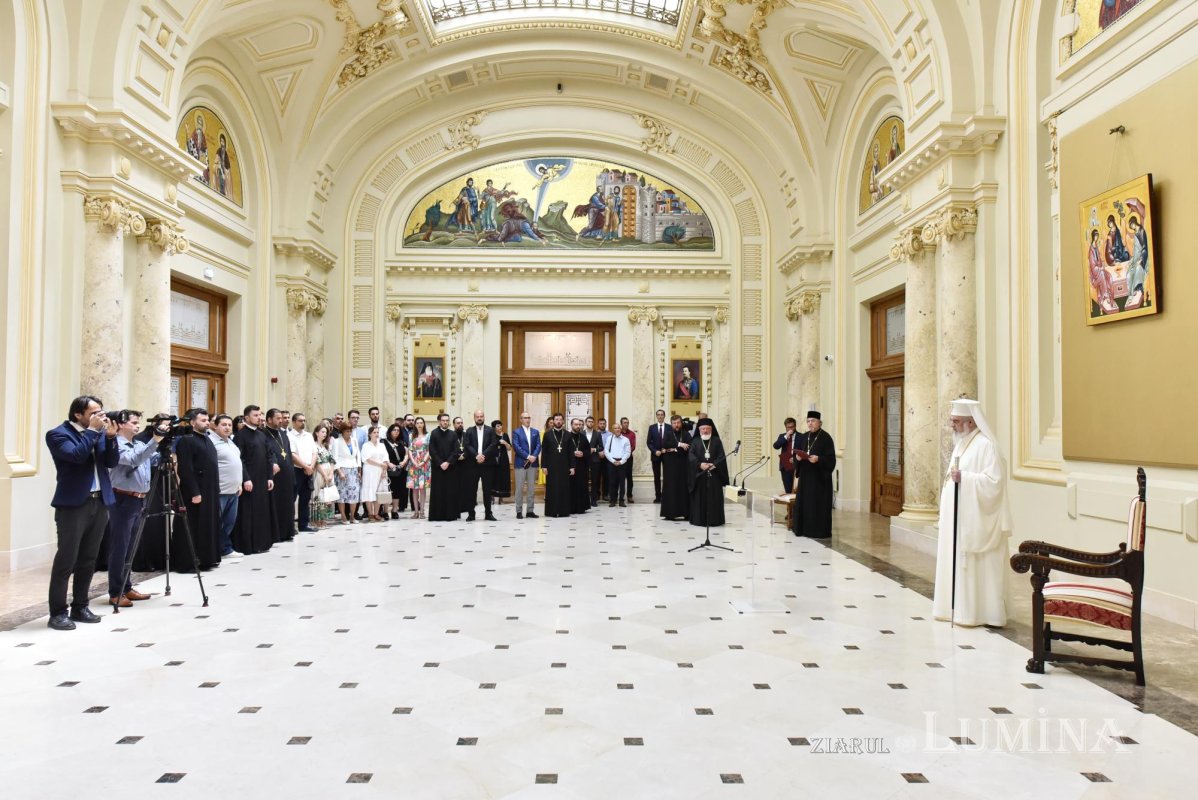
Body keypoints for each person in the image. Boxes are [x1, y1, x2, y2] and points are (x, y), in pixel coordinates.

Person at [932, 399, 1012, 628]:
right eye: (952, 421)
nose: (952, 425)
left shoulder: (986, 445)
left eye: (956, 421)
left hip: (975, 521)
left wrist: (965, 479)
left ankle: (980, 613)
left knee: (977, 567)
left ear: (970, 422)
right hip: (957, 519)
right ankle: (954, 609)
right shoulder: (963, 443)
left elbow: (994, 482)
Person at [45, 395, 120, 630]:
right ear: (78, 414)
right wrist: (94, 433)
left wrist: (110, 438)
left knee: (89, 559)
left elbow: (111, 462)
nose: (100, 416)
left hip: (99, 502)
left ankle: (80, 606)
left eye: (101, 411)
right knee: (66, 560)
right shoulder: (58, 434)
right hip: (73, 505)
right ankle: (57, 612)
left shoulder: (97, 432)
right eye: (94, 412)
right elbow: (76, 457)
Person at [105, 410, 165, 607]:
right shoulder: (116, 445)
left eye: (138, 422)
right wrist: (154, 441)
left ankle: (127, 586)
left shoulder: (139, 443)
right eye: (133, 422)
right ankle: (116, 591)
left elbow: (151, 459)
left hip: (139, 499)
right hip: (122, 498)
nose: (137, 426)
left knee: (131, 546)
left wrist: (164, 442)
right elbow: (132, 460)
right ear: (120, 424)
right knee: (120, 547)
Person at [174, 408, 222, 569]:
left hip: (210, 489)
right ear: (192, 422)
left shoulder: (207, 439)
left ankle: (207, 558)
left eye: (208, 420)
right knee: (194, 526)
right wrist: (195, 492)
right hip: (195, 491)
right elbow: (185, 469)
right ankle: (189, 561)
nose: (207, 423)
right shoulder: (187, 440)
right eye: (203, 420)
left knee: (207, 524)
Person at [233, 405, 275, 554]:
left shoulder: (262, 434)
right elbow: (239, 460)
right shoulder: (241, 436)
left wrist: (270, 477)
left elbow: (268, 456)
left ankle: (261, 543)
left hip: (263, 478)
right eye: (256, 415)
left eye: (259, 415)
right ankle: (248, 545)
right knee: (248, 513)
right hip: (249, 480)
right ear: (246, 418)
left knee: (262, 511)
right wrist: (246, 479)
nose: (259, 418)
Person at [790, 411, 836, 538]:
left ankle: (817, 531)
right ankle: (803, 529)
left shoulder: (826, 438)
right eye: (808, 421)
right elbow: (796, 456)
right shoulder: (804, 437)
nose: (810, 423)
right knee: (805, 503)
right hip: (805, 478)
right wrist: (798, 459)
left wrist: (819, 459)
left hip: (819, 480)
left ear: (819, 423)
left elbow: (831, 460)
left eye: (813, 421)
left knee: (817, 505)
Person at [208, 414, 244, 558]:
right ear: (215, 426)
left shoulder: (231, 442)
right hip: (220, 490)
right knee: (218, 522)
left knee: (229, 522)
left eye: (229, 425)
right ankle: (222, 549)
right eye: (224, 424)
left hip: (234, 490)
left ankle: (223, 548)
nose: (227, 427)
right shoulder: (211, 442)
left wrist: (239, 483)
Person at [687, 419, 727, 527]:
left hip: (714, 476)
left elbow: (721, 456)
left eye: (708, 429)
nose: (705, 431)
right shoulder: (695, 441)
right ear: (699, 430)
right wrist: (700, 464)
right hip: (699, 475)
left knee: (714, 498)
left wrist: (714, 465)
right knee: (699, 498)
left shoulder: (717, 441)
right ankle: (698, 520)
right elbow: (691, 456)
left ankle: (715, 520)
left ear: (711, 429)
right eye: (703, 429)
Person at [264, 409, 295, 542]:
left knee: (287, 504)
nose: (281, 420)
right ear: (269, 420)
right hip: (275, 477)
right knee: (276, 504)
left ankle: (288, 531)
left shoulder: (283, 434)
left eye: (281, 418)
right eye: (277, 418)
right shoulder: (264, 434)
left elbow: (286, 452)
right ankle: (276, 533)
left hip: (287, 475)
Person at [463, 410, 498, 522]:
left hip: (487, 464)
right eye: (477, 416)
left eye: (481, 416)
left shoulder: (491, 430)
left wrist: (483, 455)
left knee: (487, 490)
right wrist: (477, 456)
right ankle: (471, 514)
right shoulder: (469, 431)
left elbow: (493, 444)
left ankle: (488, 513)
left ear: (484, 417)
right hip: (473, 465)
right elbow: (467, 445)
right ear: (474, 418)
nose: (479, 418)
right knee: (471, 490)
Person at [427, 414, 460, 521]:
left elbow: (456, 450)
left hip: (450, 467)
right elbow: (432, 450)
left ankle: (450, 515)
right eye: (443, 420)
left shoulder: (453, 434)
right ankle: (437, 515)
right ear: (439, 421)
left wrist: (448, 462)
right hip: (438, 467)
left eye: (447, 420)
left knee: (450, 491)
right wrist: (441, 463)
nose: (445, 422)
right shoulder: (434, 433)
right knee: (438, 491)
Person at [659, 415, 691, 521]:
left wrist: (673, 448)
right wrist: (680, 444)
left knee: (683, 488)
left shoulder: (686, 434)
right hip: (670, 466)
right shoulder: (668, 434)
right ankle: (670, 513)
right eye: (674, 423)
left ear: (681, 423)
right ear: (671, 424)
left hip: (683, 466)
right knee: (671, 488)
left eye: (678, 423)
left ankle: (685, 513)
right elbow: (664, 444)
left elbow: (689, 446)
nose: (676, 425)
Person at [289, 412, 317, 532]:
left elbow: (314, 452)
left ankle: (303, 524)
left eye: (304, 420)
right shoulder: (289, 436)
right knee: (292, 498)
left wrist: (311, 466)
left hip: (309, 469)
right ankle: (290, 526)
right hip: (297, 470)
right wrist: (305, 466)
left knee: (305, 499)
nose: (303, 423)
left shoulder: (309, 435)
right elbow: (293, 454)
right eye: (300, 421)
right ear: (294, 422)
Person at [541, 413, 574, 517]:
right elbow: (544, 452)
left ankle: (564, 511)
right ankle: (551, 511)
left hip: (564, 466)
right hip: (551, 466)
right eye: (556, 419)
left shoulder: (568, 434)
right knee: (552, 488)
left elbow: (571, 452)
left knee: (564, 488)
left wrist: (572, 466)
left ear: (563, 421)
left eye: (560, 419)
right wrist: (544, 466)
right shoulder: (547, 434)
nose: (558, 421)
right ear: (553, 421)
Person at [331, 422, 363, 524]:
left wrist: (359, 470)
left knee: (354, 495)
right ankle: (343, 516)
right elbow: (334, 458)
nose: (349, 433)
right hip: (342, 470)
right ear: (342, 431)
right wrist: (339, 472)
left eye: (350, 431)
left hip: (353, 469)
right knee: (343, 494)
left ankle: (353, 516)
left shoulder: (354, 440)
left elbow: (358, 456)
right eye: (347, 431)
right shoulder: (337, 442)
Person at [511, 411, 541, 520]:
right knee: (519, 488)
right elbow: (516, 446)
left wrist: (533, 456)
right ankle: (519, 511)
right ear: (521, 419)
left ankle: (530, 511)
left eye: (528, 417)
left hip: (533, 464)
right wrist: (528, 456)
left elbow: (538, 445)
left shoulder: (535, 432)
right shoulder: (516, 432)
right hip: (521, 464)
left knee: (531, 488)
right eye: (525, 418)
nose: (527, 420)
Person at [309, 422, 337, 528]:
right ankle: (315, 520)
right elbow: (316, 463)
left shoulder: (325, 446)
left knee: (326, 497)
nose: (325, 434)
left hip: (328, 474)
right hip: (319, 474)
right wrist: (325, 475)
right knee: (317, 496)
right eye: (322, 432)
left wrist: (330, 474)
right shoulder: (314, 446)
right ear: (317, 433)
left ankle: (323, 518)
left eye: (326, 432)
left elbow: (332, 461)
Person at [360, 426, 389, 522]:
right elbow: (367, 459)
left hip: (381, 471)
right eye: (374, 432)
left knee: (379, 492)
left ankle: (376, 513)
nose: (376, 434)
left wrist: (384, 471)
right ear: (370, 434)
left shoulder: (382, 445)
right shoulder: (366, 445)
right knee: (369, 491)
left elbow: (386, 458)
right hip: (370, 471)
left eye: (377, 432)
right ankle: (370, 514)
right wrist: (380, 464)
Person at [383, 423, 408, 520]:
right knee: (387, 491)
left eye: (398, 430)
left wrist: (404, 462)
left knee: (397, 491)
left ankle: (394, 510)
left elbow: (406, 454)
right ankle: (385, 511)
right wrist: (389, 463)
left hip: (399, 470)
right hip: (387, 469)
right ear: (390, 431)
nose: (396, 432)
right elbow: (381, 454)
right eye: (394, 430)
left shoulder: (401, 442)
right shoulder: (384, 442)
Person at [407, 417, 431, 519]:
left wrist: (423, 461)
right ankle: (416, 511)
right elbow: (409, 450)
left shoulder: (428, 435)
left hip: (424, 463)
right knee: (414, 489)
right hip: (413, 463)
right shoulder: (411, 435)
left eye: (421, 423)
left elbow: (430, 450)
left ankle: (422, 511)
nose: (419, 424)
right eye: (418, 423)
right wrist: (413, 461)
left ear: (424, 424)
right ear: (415, 424)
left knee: (422, 488)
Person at [605, 422, 631, 507]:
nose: (617, 429)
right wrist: (613, 461)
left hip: (622, 463)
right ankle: (613, 500)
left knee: (622, 482)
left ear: (621, 429)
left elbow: (628, 452)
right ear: (613, 430)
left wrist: (621, 461)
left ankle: (621, 500)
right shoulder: (609, 438)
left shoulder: (626, 439)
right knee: (612, 482)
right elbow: (606, 451)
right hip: (611, 462)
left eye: (618, 428)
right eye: (615, 428)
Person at [568, 418, 591, 514]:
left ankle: (581, 507)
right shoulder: (567, 437)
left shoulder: (583, 437)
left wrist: (582, 453)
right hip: (570, 466)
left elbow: (588, 450)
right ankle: (571, 508)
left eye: (579, 425)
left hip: (581, 466)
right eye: (576, 424)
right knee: (571, 487)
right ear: (571, 425)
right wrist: (573, 453)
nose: (578, 426)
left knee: (581, 486)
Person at [581, 416, 605, 507]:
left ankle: (594, 500)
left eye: (592, 422)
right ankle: (585, 499)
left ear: (594, 423)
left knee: (595, 480)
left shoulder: (597, 434)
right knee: (584, 479)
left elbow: (601, 447)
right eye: (589, 421)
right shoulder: (581, 433)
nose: (590, 423)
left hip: (595, 459)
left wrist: (594, 449)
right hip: (584, 460)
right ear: (586, 422)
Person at [647, 409, 668, 503]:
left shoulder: (669, 427)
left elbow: (672, 441)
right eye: (658, 415)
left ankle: (666, 496)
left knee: (667, 476)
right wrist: (655, 451)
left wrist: (666, 449)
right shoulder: (652, 428)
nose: (660, 416)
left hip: (667, 455)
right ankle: (658, 496)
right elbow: (649, 443)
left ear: (664, 416)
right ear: (656, 416)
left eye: (662, 414)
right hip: (655, 455)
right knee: (657, 476)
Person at [773, 417, 798, 494]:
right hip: (785, 466)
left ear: (795, 426)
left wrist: (795, 458)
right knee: (788, 489)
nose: (790, 429)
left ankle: (796, 506)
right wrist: (785, 436)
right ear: (785, 427)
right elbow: (776, 446)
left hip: (797, 465)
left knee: (797, 490)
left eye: (792, 427)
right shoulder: (782, 436)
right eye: (788, 427)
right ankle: (789, 506)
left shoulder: (801, 436)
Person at [491, 420, 512, 504]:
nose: (500, 427)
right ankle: (491, 497)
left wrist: (505, 443)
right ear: (494, 428)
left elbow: (509, 448)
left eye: (500, 425)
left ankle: (501, 498)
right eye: (497, 426)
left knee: (503, 477)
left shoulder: (505, 435)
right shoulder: (491, 435)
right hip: (494, 458)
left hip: (503, 459)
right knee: (493, 477)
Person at [620, 417, 637, 502]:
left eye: (627, 422)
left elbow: (633, 446)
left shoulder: (632, 434)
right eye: (624, 423)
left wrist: (627, 454)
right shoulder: (618, 433)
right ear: (621, 424)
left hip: (629, 458)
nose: (626, 424)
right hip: (619, 457)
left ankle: (629, 495)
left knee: (629, 477)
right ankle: (620, 496)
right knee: (620, 477)